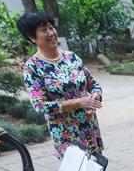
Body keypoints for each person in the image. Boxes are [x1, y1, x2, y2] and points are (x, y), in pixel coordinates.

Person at [18, 12, 104, 158]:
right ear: (32, 38)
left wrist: (95, 95)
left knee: (96, 170)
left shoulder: (72, 58)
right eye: (44, 30)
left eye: (51, 28)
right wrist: (78, 102)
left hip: (89, 128)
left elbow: (94, 85)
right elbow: (40, 106)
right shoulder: (32, 67)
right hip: (66, 134)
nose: (51, 33)